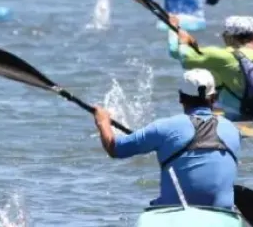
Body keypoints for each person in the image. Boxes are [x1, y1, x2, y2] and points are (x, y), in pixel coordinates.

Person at [91, 69, 241, 209]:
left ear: (181, 97)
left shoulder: (164, 128)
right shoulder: (233, 130)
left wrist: (103, 121)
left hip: (175, 211)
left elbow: (114, 148)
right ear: (214, 98)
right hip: (222, 212)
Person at [165, 15, 253, 124]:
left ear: (228, 37)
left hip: (233, 120)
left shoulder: (224, 56)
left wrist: (176, 32)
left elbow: (182, 56)